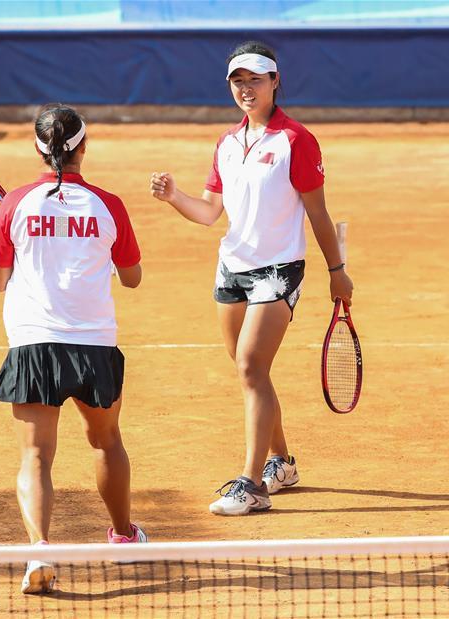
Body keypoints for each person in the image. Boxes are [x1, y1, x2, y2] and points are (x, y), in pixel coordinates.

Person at [150, 41, 354, 516]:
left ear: (275, 81)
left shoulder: (296, 140)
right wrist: (174, 196)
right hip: (232, 267)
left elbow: (318, 213)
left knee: (249, 368)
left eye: (255, 79)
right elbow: (209, 212)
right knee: (251, 372)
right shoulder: (226, 142)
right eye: (238, 81)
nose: (246, 88)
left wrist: (337, 272)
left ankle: (253, 485)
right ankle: (281, 464)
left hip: (280, 269)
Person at [0, 104, 147, 593]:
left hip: (34, 344)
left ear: (38, 147)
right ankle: (123, 536)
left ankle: (39, 551)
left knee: (36, 457)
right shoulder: (108, 205)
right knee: (107, 441)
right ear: (83, 148)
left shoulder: (14, 203)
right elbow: (133, 278)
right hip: (93, 345)